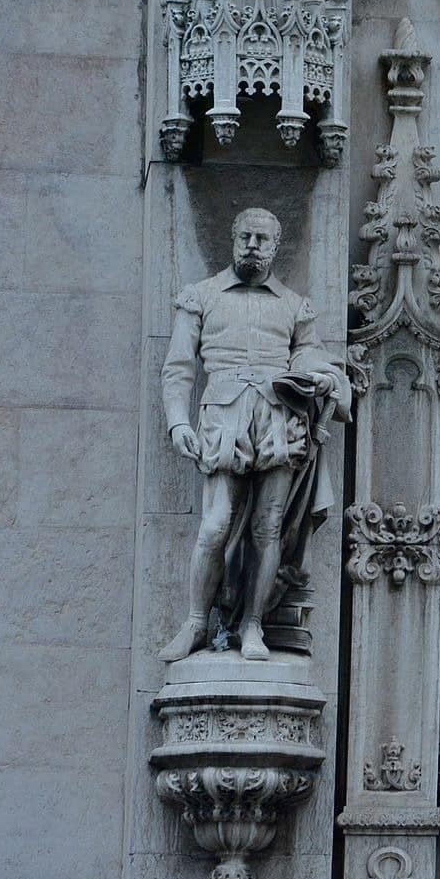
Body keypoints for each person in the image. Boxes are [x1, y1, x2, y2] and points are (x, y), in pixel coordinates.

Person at [159, 208, 349, 662]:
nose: (252, 245)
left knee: (269, 529)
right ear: (232, 238)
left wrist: (322, 379)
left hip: (278, 418)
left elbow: (310, 356)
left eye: (262, 239)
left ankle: (253, 626)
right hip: (223, 416)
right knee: (215, 523)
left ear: (275, 245)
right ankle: (196, 621)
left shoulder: (293, 304)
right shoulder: (200, 296)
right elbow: (179, 367)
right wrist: (177, 421)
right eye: (245, 236)